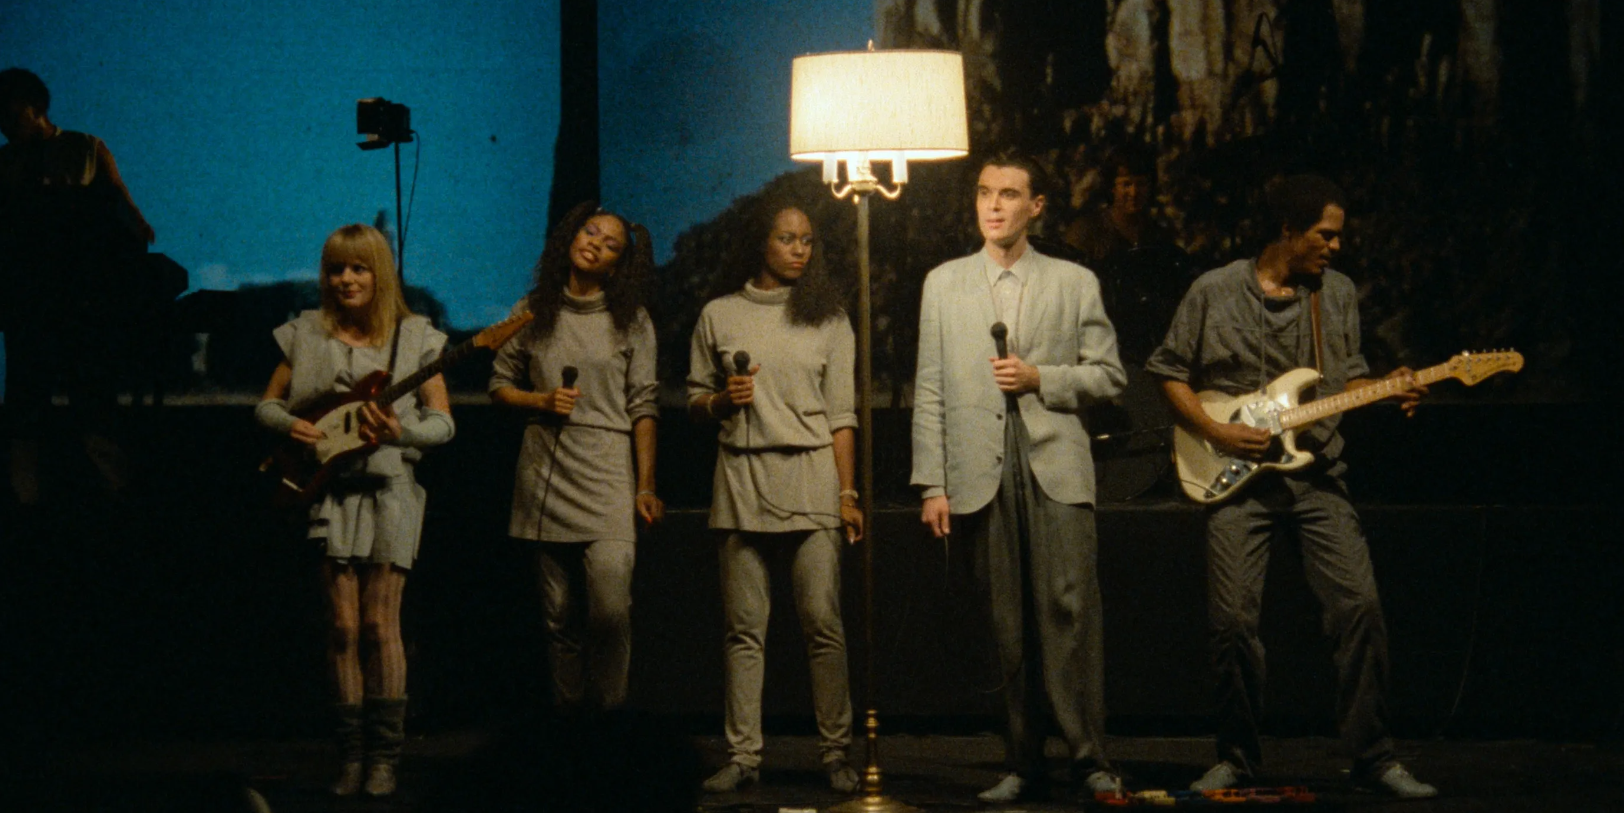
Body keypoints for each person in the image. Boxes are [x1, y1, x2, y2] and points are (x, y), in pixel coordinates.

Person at [1144, 174, 1437, 799]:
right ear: (1287, 230)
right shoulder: (1214, 290)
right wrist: (1216, 433)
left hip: (1319, 473)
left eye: (1337, 237)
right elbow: (1169, 373)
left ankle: (1373, 755)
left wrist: (1391, 388)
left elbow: (1348, 382)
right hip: (1235, 481)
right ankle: (1237, 759)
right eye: (1324, 235)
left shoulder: (1336, 296)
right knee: (1232, 624)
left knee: (1359, 607)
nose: (1334, 247)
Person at [911, 152, 1127, 803]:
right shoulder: (943, 283)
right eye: (984, 192)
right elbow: (930, 388)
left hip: (1055, 464)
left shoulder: (1073, 280)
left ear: (1037, 206)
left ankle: (1089, 757)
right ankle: (1023, 758)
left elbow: (1110, 377)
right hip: (978, 468)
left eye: (1009, 194)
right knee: (1006, 620)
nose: (993, 205)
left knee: (1069, 611)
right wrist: (932, 482)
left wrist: (1042, 378)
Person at [255, 224, 453, 798]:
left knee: (378, 624)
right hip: (330, 494)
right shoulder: (306, 333)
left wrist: (400, 431)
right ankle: (351, 756)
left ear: (379, 274)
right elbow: (265, 405)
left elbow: (444, 423)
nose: (346, 279)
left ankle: (385, 759)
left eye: (359, 268)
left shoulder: (415, 337)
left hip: (390, 492)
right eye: (337, 269)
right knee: (341, 629)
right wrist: (289, 422)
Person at [688, 198, 862, 795]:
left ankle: (836, 753)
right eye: (787, 238)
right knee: (744, 628)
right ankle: (743, 756)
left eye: (807, 240)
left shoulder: (829, 317)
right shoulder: (720, 314)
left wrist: (848, 493)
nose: (798, 249)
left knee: (822, 621)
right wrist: (720, 401)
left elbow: (843, 415)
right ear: (761, 242)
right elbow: (694, 398)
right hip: (740, 479)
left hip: (811, 475)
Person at [489, 201, 662, 712]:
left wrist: (646, 485)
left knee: (610, 611)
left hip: (607, 469)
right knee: (558, 618)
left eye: (610, 245)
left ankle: (610, 726)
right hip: (546, 470)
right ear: (570, 237)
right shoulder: (534, 309)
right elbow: (499, 384)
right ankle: (571, 735)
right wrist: (539, 400)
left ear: (617, 265)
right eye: (590, 232)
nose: (595, 244)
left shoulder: (631, 320)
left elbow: (644, 407)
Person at [0, 67, 156, 506]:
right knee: (28, 397)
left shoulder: (84, 149)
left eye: (12, 116)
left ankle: (112, 488)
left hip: (80, 297)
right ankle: (25, 497)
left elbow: (129, 217)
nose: (5, 127)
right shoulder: (6, 164)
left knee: (89, 394)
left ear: (35, 109)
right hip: (28, 299)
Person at [1062, 145, 1191, 365]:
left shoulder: (1158, 234)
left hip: (1146, 347)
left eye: (1141, 184)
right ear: (1112, 188)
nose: (1133, 192)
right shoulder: (1086, 232)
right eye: (1126, 184)